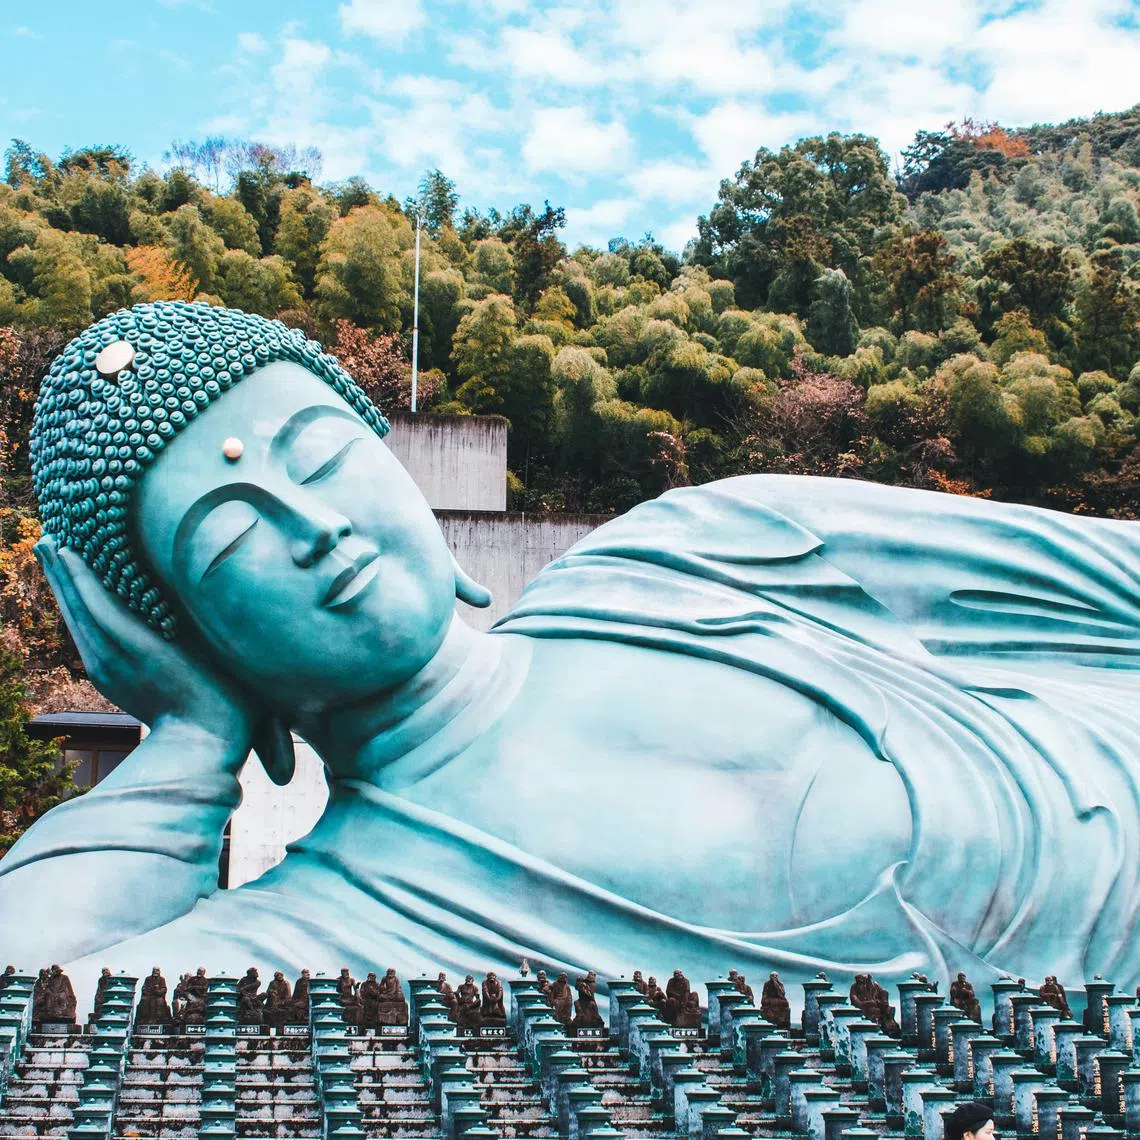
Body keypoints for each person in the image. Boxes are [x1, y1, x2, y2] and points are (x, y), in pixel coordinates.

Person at [7, 301, 1139, 999]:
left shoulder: (698, 551)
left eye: (317, 454)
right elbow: (29, 1033)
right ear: (190, 640)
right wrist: (187, 743)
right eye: (231, 540)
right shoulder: (338, 926)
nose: (316, 527)